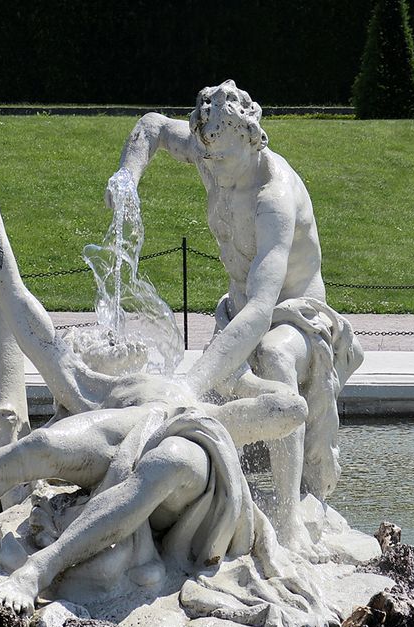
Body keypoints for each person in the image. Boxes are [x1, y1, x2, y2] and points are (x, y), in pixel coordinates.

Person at [0, 151, 308, 615]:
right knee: (39, 445)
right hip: (123, 440)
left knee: (172, 458)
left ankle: (38, 572)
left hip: (190, 446)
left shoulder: (189, 382)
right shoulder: (88, 387)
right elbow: (14, 297)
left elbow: (291, 408)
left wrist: (241, 383)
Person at [111, 81, 363, 555]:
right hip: (239, 310)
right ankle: (217, 495)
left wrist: (189, 382)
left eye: (221, 159)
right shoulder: (213, 148)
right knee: (221, 386)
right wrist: (127, 176)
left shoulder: (273, 197)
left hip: (297, 316)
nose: (212, 168)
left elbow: (263, 309)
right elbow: (153, 128)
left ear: (252, 139)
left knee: (271, 356)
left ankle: (288, 518)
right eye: (206, 157)